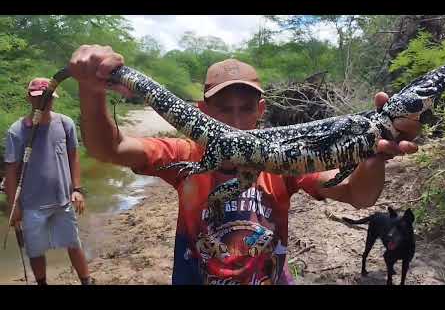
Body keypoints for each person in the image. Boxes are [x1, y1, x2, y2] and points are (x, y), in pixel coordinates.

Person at [69, 45, 421, 285]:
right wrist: (91, 89)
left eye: (246, 107)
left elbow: (357, 195)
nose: (236, 120)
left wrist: (376, 153)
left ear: (261, 110)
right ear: (202, 111)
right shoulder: (185, 155)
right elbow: (108, 148)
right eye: (224, 108)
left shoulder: (284, 158)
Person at [4, 77, 92, 285]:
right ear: (29, 98)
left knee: (73, 243)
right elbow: (10, 170)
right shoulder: (16, 131)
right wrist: (13, 205)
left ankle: (86, 281)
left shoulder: (65, 123)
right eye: (38, 98)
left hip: (63, 201)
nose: (43, 102)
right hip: (32, 205)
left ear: (54, 98)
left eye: (47, 97)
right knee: (35, 250)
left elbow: (74, 157)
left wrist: (77, 189)